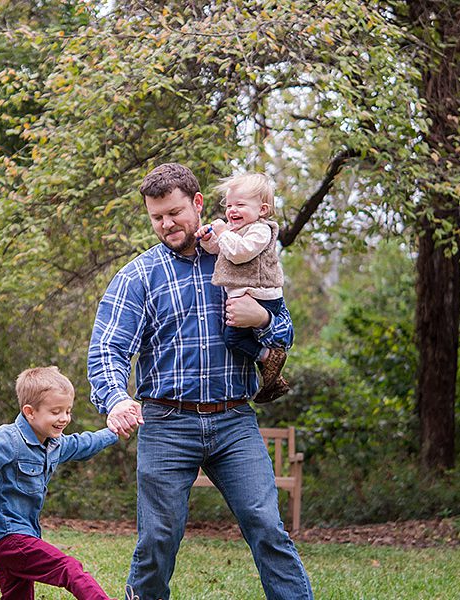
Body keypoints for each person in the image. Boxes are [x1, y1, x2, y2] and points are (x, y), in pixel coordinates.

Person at [87, 163, 313, 599]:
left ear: (198, 203)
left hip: (234, 421)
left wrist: (263, 318)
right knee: (158, 538)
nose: (166, 224)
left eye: (174, 212)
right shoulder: (138, 276)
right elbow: (107, 349)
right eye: (157, 217)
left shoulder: (242, 258)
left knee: (267, 526)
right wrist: (115, 399)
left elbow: (283, 333)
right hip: (167, 423)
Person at [0, 366, 119, 600]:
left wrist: (115, 430)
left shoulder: (53, 443)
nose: (64, 418)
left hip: (21, 536)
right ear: (30, 412)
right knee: (68, 568)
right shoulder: (7, 439)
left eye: (68, 411)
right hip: (6, 536)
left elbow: (83, 444)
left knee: (18, 596)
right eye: (56, 411)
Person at [196, 172, 295, 403]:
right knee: (236, 338)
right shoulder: (235, 230)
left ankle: (269, 357)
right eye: (229, 205)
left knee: (233, 338)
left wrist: (222, 232)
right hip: (246, 296)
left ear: (262, 209)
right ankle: (273, 376)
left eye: (240, 205)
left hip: (262, 296)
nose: (232, 210)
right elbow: (220, 250)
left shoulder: (261, 230)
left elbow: (239, 253)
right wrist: (208, 239)